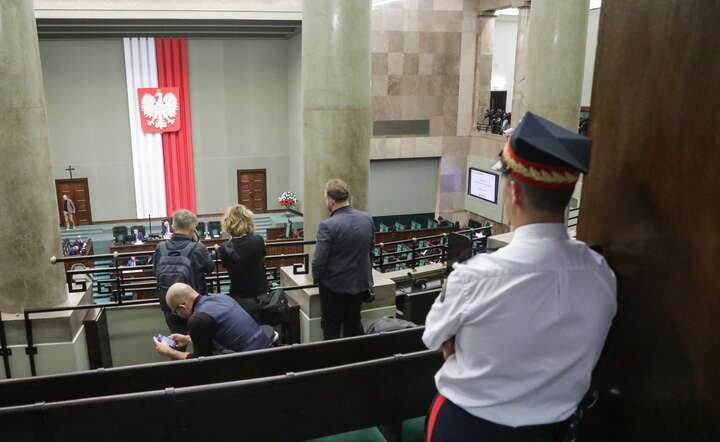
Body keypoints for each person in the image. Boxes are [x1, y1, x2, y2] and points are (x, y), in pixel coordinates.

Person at [422, 112, 617, 442]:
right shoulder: (601, 274)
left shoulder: (474, 277)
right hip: (554, 431)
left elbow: (433, 337)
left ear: (514, 194)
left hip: (469, 428)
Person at [312, 178, 374, 340]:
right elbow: (370, 250)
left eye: (326, 198)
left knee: (331, 329)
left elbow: (319, 262)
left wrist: (316, 279)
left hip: (333, 288)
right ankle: (355, 363)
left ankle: (335, 364)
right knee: (353, 325)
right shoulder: (367, 218)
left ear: (331, 201)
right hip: (359, 285)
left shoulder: (327, 225)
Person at [152, 283, 271, 360]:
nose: (177, 315)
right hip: (268, 349)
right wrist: (188, 339)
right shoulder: (221, 297)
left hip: (253, 363)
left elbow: (203, 361)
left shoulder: (197, 319)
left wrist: (170, 352)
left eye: (175, 311)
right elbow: (228, 331)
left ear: (182, 307)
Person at [153, 209, 215, 335]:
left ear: (173, 226)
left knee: (177, 339)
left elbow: (155, 272)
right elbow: (210, 268)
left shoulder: (160, 247)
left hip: (170, 304)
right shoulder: (198, 248)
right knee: (202, 341)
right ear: (193, 228)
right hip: (194, 306)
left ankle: (176, 353)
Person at [217, 204, 267, 319]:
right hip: (259, 294)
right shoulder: (258, 240)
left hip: (238, 295)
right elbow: (262, 259)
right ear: (248, 221)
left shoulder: (224, 248)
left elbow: (226, 265)